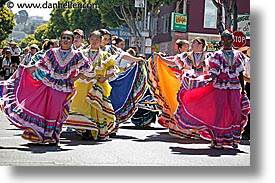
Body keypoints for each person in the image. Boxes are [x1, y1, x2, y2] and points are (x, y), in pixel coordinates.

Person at [0, 30, 91, 145]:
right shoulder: (52, 52)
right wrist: (23, 69)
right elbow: (38, 65)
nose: (66, 40)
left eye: (69, 38)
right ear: (60, 39)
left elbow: (87, 67)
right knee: (42, 108)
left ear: (72, 41)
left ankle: (53, 135)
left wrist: (75, 78)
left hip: (64, 87)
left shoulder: (77, 55)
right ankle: (43, 135)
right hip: (48, 85)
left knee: (56, 110)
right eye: (64, 38)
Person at [173, 29, 250, 149]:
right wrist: (209, 80)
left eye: (229, 39)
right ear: (221, 41)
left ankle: (234, 139)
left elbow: (240, 73)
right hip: (219, 87)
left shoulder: (238, 55)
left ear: (232, 40)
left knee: (235, 112)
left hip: (234, 88)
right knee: (219, 113)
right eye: (224, 40)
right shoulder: (217, 55)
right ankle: (217, 140)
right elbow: (214, 72)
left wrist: (243, 89)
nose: (226, 42)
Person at [64, 30, 117, 141]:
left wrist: (105, 78)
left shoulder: (105, 55)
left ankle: (94, 130)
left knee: (96, 108)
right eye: (93, 39)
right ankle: (85, 130)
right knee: (82, 107)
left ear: (101, 41)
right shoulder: (81, 52)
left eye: (97, 39)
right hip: (82, 84)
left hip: (97, 85)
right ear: (89, 39)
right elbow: (73, 65)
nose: (94, 41)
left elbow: (112, 69)